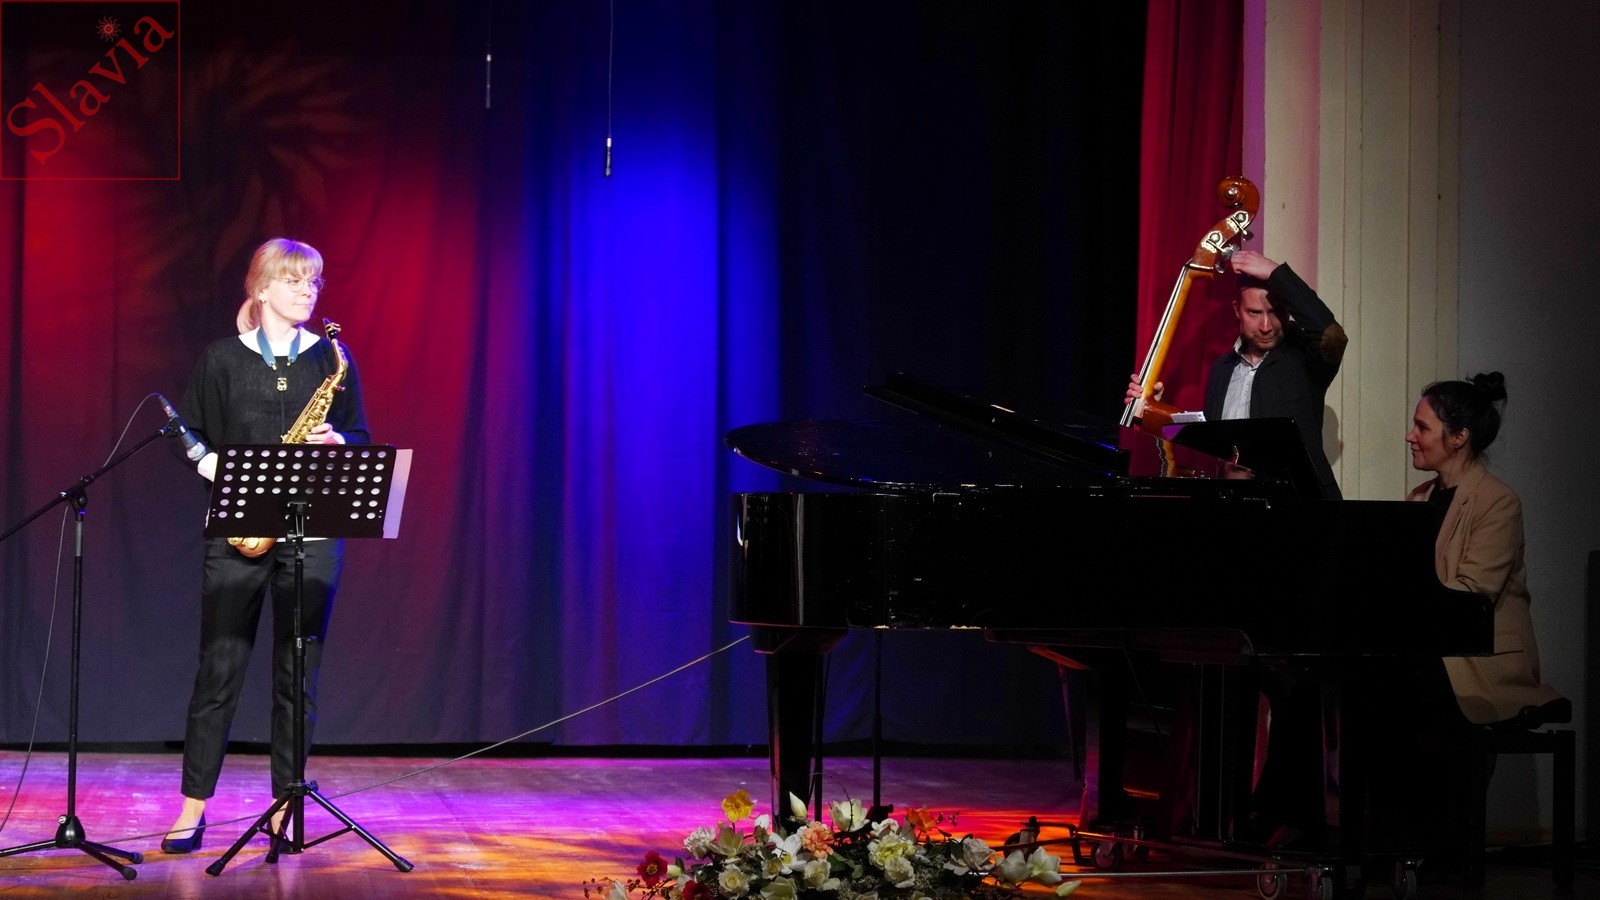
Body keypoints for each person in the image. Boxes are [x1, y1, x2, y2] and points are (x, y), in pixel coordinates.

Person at [160, 238, 370, 854]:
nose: (309, 290)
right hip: (239, 531)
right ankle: (192, 809)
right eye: (295, 280)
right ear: (262, 288)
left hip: (312, 533)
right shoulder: (223, 358)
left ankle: (286, 807)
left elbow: (360, 434)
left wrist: (339, 444)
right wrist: (215, 469)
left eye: (314, 281)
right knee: (219, 669)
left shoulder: (332, 357)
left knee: (297, 675)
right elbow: (186, 430)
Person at [1404, 372, 1563, 726]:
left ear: (1459, 437)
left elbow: (1472, 595)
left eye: (1422, 427)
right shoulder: (1419, 498)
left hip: (1478, 662)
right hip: (1433, 648)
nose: (1410, 436)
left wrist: (1403, 615)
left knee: (1384, 688)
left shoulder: (1497, 501)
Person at [1127, 250, 1348, 499]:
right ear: (1237, 310)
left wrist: (1276, 273)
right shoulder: (1221, 370)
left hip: (1298, 505)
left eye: (1275, 312)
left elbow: (1331, 334)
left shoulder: (1304, 360)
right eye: (1254, 313)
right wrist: (1153, 410)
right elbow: (1206, 448)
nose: (1266, 326)